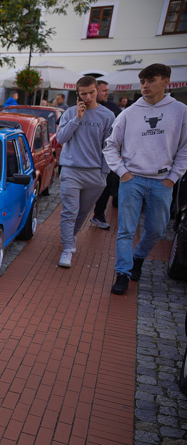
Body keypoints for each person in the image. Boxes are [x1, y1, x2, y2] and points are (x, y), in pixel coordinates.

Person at [104, 63, 187, 295]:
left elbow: (185, 148)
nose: (145, 85)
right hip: (133, 180)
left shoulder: (180, 111)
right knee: (125, 230)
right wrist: (124, 173)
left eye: (151, 80)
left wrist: (173, 177)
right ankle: (123, 272)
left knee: (156, 230)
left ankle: (138, 257)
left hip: (162, 181)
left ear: (166, 82)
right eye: (142, 81)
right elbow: (110, 146)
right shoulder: (129, 112)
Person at [55, 76, 116, 269]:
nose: (88, 97)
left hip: (95, 174)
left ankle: (71, 235)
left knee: (82, 212)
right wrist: (77, 119)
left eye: (91, 92)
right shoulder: (70, 112)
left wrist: (104, 174)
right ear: (78, 94)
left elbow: (109, 146)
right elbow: (61, 138)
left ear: (97, 90)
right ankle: (67, 248)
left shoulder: (107, 116)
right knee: (70, 211)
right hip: (71, 170)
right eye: (83, 93)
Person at [90, 80, 122, 230]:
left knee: (107, 185)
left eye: (107, 90)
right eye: (103, 90)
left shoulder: (114, 109)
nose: (106, 93)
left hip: (107, 157)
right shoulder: (83, 108)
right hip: (88, 157)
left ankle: (99, 214)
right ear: (95, 91)